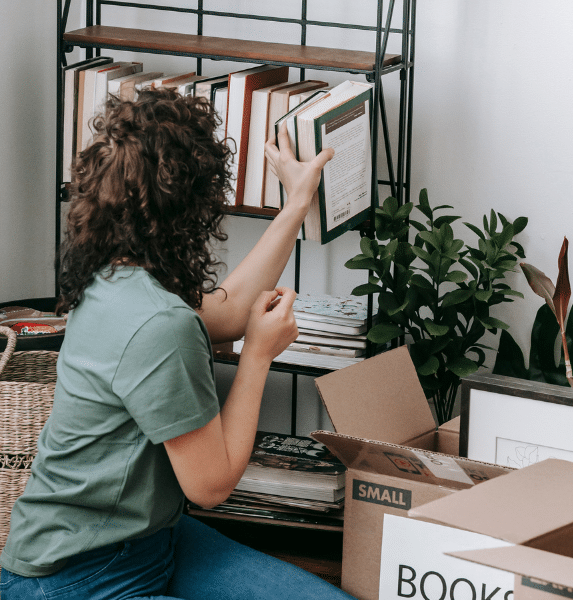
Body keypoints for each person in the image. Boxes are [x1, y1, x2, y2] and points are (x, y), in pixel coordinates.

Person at [0, 87, 352, 600]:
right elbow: (210, 487)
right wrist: (257, 354)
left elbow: (230, 310)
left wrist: (297, 201)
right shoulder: (159, 323)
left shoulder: (114, 277)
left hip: (146, 543)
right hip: (78, 578)